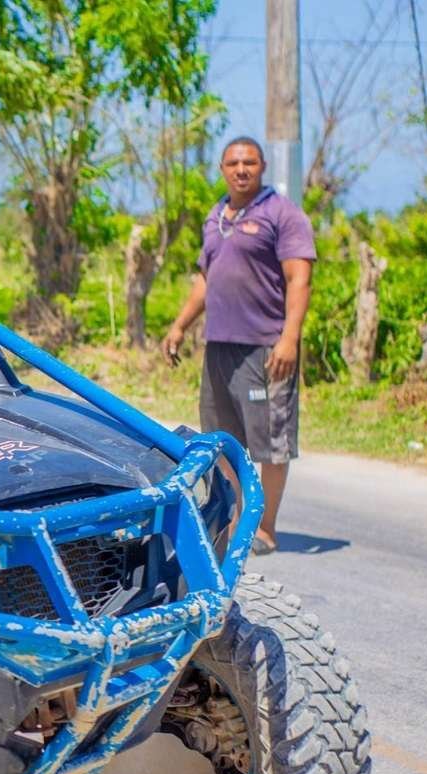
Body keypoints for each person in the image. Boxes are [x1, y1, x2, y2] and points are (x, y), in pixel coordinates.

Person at [163, 136, 315, 556]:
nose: (241, 169)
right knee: (223, 440)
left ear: (262, 166)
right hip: (219, 347)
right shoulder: (216, 216)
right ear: (222, 168)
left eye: (249, 162)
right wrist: (179, 326)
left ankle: (265, 528)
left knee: (270, 441)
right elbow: (205, 280)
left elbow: (298, 279)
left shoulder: (282, 215)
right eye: (233, 163)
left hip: (265, 348)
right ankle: (235, 518)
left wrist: (289, 338)